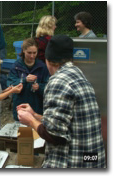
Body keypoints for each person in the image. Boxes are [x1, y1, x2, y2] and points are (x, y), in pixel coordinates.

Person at [17, 34, 106, 168]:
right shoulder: (77, 74)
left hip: (74, 162)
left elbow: (54, 135)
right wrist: (35, 115)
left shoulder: (58, 81)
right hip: (92, 159)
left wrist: (30, 120)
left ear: (48, 59)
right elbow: (66, 121)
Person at [7, 38, 49, 122]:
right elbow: (10, 84)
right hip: (20, 107)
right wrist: (24, 80)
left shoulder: (42, 67)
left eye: (34, 53)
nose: (32, 56)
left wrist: (39, 87)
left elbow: (49, 87)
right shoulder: (16, 66)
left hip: (37, 108)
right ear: (23, 51)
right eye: (29, 53)